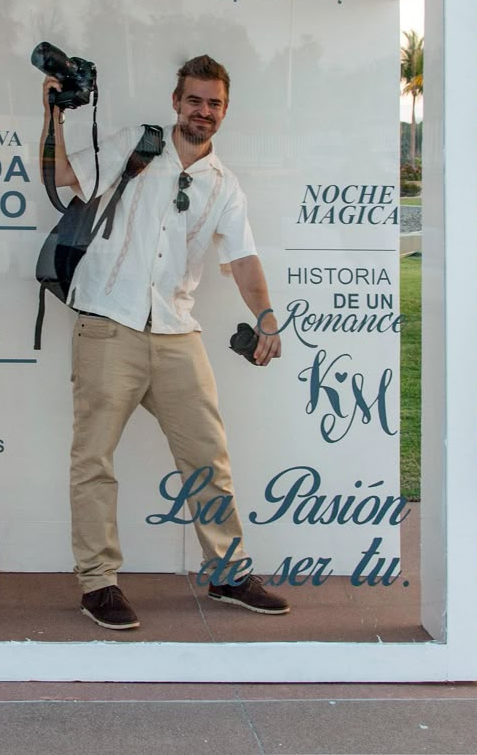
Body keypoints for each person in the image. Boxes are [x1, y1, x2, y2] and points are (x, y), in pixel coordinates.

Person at [39, 54, 289, 630]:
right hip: (108, 322)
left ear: (224, 112)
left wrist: (267, 315)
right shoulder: (135, 144)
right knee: (93, 459)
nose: (203, 111)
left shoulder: (224, 184)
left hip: (177, 329)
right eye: (194, 100)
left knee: (208, 455)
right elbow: (60, 179)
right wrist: (51, 116)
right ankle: (99, 583)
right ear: (176, 101)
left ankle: (227, 572)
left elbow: (243, 256)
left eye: (214, 103)